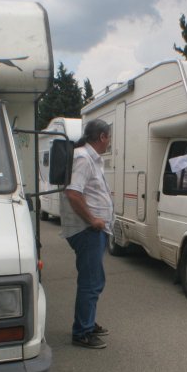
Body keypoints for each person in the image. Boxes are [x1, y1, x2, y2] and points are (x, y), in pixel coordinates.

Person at [60, 119, 114, 348]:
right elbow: (73, 193)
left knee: (95, 280)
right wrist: (92, 220)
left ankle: (87, 323)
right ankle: (82, 332)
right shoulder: (83, 157)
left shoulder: (91, 158)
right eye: (109, 136)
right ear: (102, 136)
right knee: (91, 282)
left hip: (93, 229)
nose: (110, 141)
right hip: (87, 230)